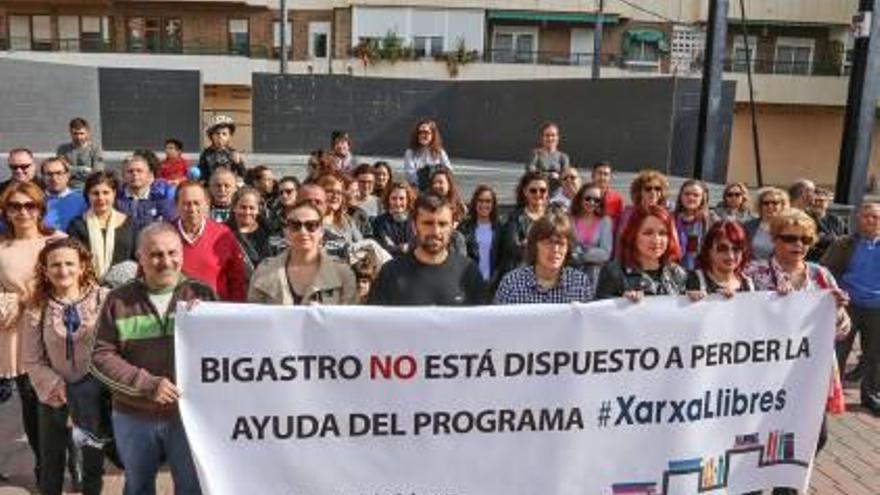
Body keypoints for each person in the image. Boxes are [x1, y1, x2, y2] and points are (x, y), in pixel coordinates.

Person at [90, 222, 216, 495]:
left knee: (193, 488)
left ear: (182, 254)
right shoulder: (118, 300)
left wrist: (207, 320)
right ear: (140, 257)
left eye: (172, 253)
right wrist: (147, 385)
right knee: (138, 487)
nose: (166, 261)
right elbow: (100, 357)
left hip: (188, 417)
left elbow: (221, 350)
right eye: (156, 254)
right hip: (133, 415)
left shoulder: (201, 294)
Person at [743, 209, 850, 493]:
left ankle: (785, 486)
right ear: (775, 240)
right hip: (764, 375)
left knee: (814, 435)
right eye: (790, 238)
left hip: (808, 375)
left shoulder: (821, 275)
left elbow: (842, 331)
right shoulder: (754, 273)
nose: (798, 245)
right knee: (758, 435)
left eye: (805, 239)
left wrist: (838, 311)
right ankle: (752, 485)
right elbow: (737, 323)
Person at [22, 238, 109, 495]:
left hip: (94, 394)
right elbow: (32, 359)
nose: (63, 270)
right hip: (53, 395)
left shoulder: (103, 299)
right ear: (45, 270)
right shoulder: (37, 306)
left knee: (92, 465)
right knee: (52, 464)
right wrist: (60, 390)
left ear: (82, 266)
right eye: (55, 265)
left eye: (70, 263)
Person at [0, 182, 66, 484]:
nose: (22, 212)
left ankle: (72, 462)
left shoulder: (57, 241)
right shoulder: (1, 248)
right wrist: (17, 298)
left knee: (64, 401)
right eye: (14, 206)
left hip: (59, 331)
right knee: (31, 402)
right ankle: (45, 468)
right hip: (18, 335)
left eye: (29, 205)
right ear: (5, 211)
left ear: (40, 208)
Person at [367, 194, 485, 305]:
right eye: (428, 223)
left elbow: (482, 322)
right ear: (414, 226)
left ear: (451, 228)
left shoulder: (469, 273)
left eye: (442, 224)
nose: (436, 231)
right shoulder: (390, 274)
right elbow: (375, 322)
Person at [822, 202, 880, 415]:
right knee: (838, 351)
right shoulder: (843, 243)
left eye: (875, 217)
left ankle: (871, 395)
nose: (871, 220)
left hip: (877, 308)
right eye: (866, 216)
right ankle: (827, 394)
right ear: (858, 219)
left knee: (874, 355)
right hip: (848, 306)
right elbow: (825, 271)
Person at [248, 200, 356, 305]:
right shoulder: (264, 271)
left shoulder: (343, 274)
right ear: (286, 231)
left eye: (311, 225)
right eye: (295, 225)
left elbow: (348, 320)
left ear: (321, 232)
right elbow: (254, 318)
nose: (303, 232)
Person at [494, 214, 592, 304]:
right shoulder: (512, 284)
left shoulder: (580, 284)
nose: (555, 250)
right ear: (534, 246)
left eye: (561, 243)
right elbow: (498, 321)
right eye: (548, 243)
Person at [174, 181, 246, 302]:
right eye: (186, 204)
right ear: (176, 205)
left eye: (197, 203)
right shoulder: (164, 235)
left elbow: (237, 280)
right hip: (175, 313)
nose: (192, 209)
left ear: (207, 205)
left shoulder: (223, 235)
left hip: (215, 312)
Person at [596, 205, 686, 300]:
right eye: (648, 233)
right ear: (633, 236)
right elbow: (600, 310)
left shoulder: (677, 273)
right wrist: (620, 303)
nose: (656, 240)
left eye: (662, 233)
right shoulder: (613, 273)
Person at [68, 172, 137, 284]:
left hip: (124, 288)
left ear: (114, 194)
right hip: (87, 286)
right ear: (88, 196)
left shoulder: (130, 224)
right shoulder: (77, 225)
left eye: (106, 193)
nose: (101, 198)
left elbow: (136, 258)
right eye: (95, 193)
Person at [685, 220, 755, 299]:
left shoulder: (748, 284)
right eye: (722, 249)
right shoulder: (693, 281)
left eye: (736, 249)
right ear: (709, 251)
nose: (730, 256)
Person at [499, 172, 549, 276]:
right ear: (525, 192)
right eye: (533, 191)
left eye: (542, 190)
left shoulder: (554, 215)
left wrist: (529, 242)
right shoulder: (515, 217)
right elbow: (512, 248)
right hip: (522, 273)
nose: (538, 194)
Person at [115, 151, 176, 233]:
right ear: (123, 175)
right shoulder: (115, 199)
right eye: (130, 171)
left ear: (149, 175)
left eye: (139, 171)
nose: (135, 174)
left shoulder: (161, 200)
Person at [568, 182, 613, 287]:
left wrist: (580, 253)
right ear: (580, 198)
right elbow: (567, 247)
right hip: (570, 273)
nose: (592, 202)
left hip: (596, 277)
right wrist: (590, 251)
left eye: (596, 200)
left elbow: (605, 253)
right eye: (588, 198)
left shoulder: (605, 221)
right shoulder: (569, 219)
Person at [458, 185, 503, 286]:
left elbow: (503, 258)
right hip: (469, 282)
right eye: (480, 201)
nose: (484, 204)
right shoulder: (465, 227)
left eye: (488, 201)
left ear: (493, 204)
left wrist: (496, 278)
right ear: (475, 203)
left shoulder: (501, 227)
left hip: (494, 283)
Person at [227, 186, 274, 280]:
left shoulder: (270, 231)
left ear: (258, 210)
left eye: (252, 208)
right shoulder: (223, 232)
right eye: (243, 207)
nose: (247, 212)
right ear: (234, 207)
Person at [318, 173, 364, 262]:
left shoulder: (347, 220)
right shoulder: (313, 223)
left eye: (339, 192)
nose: (335, 196)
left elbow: (361, 244)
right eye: (330, 191)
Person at [673, 179, 716, 270]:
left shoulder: (712, 220)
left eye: (696, 195)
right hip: (674, 268)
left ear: (702, 198)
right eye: (687, 194)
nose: (691, 198)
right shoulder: (671, 218)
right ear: (681, 196)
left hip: (701, 269)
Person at [616, 169, 670, 239]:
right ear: (639, 191)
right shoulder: (628, 214)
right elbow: (621, 240)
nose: (653, 192)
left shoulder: (666, 214)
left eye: (657, 188)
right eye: (648, 188)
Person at [403, 119, 452, 191]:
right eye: (420, 132)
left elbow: (449, 170)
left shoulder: (440, 152)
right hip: (418, 190)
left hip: (438, 188)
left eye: (426, 132)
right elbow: (410, 174)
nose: (422, 135)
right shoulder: (410, 153)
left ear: (433, 134)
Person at [55, 118, 104, 190]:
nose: (78, 137)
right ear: (71, 133)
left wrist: (71, 169)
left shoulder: (96, 150)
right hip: (68, 188)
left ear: (88, 133)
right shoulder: (62, 149)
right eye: (75, 133)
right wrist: (85, 169)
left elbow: (97, 172)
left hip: (89, 187)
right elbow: (63, 172)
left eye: (81, 133)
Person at [743, 187, 789, 261]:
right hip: (750, 268)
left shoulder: (788, 227)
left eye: (775, 203)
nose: (770, 206)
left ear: (782, 205)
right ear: (760, 206)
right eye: (766, 203)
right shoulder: (748, 226)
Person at [371, 182, 416, 258]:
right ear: (388, 199)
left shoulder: (416, 220)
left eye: (402, 198)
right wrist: (403, 248)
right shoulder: (379, 222)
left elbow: (418, 244)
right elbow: (385, 247)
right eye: (394, 198)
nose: (398, 203)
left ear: (408, 200)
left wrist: (397, 247)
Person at [42, 156, 87, 232]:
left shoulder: (81, 201)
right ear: (43, 177)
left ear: (68, 175)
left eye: (59, 173)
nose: (54, 178)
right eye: (49, 174)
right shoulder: (36, 200)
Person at [198, 115, 245, 181]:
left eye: (224, 134)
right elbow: (202, 174)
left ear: (229, 137)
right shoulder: (206, 154)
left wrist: (238, 163)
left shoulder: (233, 153)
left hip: (229, 186)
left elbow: (243, 173)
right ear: (211, 136)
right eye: (217, 133)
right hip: (213, 186)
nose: (220, 136)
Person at [526, 122, 570, 190]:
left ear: (557, 137)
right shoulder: (535, 154)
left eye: (553, 135)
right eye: (547, 135)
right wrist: (550, 175)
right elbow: (531, 172)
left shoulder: (563, 157)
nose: (550, 138)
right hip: (538, 191)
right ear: (542, 137)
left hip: (557, 192)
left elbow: (565, 176)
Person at [808, 187, 847, 262]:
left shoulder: (837, 220)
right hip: (812, 259)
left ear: (827, 202)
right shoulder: (804, 219)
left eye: (821, 200)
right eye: (814, 200)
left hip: (833, 260)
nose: (817, 203)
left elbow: (844, 241)